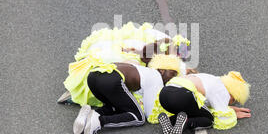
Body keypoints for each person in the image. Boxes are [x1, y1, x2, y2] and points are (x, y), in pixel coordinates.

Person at [57, 22, 190, 106]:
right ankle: (77, 95)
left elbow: (179, 45)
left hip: (114, 52)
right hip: (118, 57)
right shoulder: (158, 63)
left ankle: (76, 93)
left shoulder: (153, 47)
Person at [72, 54, 181, 134]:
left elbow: (130, 97)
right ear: (161, 70)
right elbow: (150, 113)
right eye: (172, 74)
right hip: (110, 79)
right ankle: (99, 121)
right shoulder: (156, 77)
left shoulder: (142, 70)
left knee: (116, 107)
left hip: (93, 76)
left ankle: (88, 116)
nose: (172, 79)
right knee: (138, 117)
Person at [148, 71, 251, 134]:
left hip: (165, 95)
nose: (230, 103)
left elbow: (203, 107)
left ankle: (169, 121)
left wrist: (230, 109)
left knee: (195, 110)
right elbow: (222, 118)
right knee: (209, 118)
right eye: (233, 101)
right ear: (232, 95)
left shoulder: (212, 79)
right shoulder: (223, 91)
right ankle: (186, 123)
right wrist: (233, 114)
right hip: (182, 95)